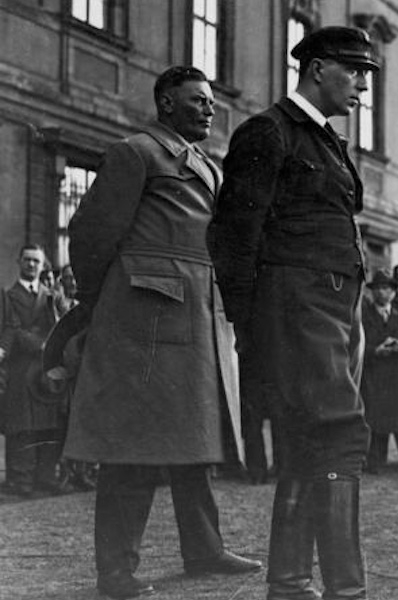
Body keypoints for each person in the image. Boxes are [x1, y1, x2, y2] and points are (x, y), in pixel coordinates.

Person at [62, 66, 260, 599]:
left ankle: (204, 548)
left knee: (195, 438)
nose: (209, 108)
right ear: (166, 103)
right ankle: (116, 571)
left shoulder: (205, 166)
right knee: (134, 445)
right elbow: (90, 233)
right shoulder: (137, 153)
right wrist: (105, 299)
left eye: (212, 101)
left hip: (197, 314)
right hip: (146, 319)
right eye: (197, 100)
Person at [208, 26, 379, 600]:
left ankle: (288, 582)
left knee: (309, 441)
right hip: (296, 308)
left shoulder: (324, 139)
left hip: (331, 308)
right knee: (338, 435)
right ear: (317, 69)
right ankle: (345, 590)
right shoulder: (270, 132)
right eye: (354, 71)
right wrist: (250, 329)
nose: (361, 84)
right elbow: (234, 236)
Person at [0, 244, 64, 498]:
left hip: (44, 370)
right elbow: (12, 329)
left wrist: (53, 345)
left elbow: (61, 324)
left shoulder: (50, 295)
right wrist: (43, 344)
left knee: (48, 423)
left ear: (42, 264)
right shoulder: (8, 295)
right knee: (22, 425)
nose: (31, 265)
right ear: (19, 262)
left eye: (36, 261)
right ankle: (20, 480)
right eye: (27, 260)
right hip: (20, 367)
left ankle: (45, 477)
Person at [361, 268, 398, 473]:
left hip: (397, 375)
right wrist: (375, 351)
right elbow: (358, 347)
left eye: (386, 288)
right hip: (375, 375)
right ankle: (376, 462)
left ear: (393, 292)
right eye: (377, 289)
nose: (381, 293)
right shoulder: (364, 318)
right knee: (377, 420)